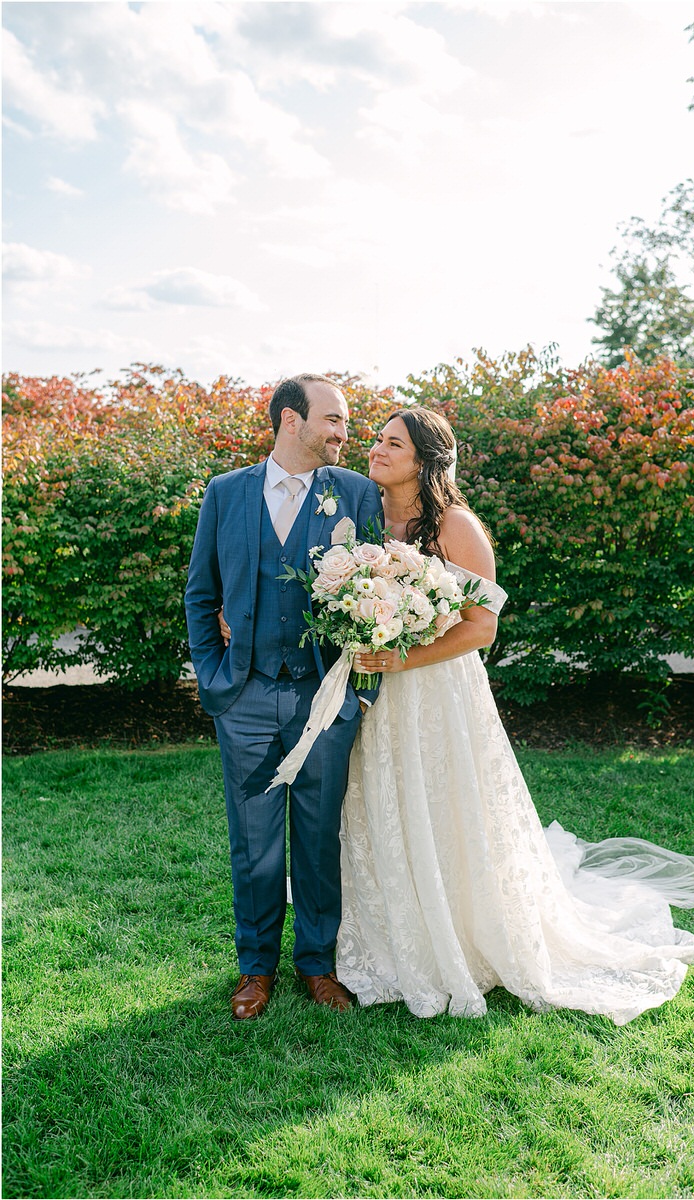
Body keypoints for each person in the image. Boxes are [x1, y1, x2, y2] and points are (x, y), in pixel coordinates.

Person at [335, 408, 694, 1023]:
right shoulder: (363, 514)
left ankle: (467, 935)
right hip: (378, 691)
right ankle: (393, 935)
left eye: (393, 443)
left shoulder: (457, 526)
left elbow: (482, 627)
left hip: (436, 690)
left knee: (445, 804)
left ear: (425, 460)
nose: (377, 450)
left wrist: (403, 657)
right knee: (385, 804)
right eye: (378, 439)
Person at [185, 373, 383, 1020]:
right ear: (290, 421)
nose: (343, 434)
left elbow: (378, 593)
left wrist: (362, 689)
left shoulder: (356, 494)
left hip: (325, 698)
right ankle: (256, 968)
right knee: (255, 841)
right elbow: (200, 594)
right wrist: (216, 676)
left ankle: (318, 966)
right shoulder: (225, 493)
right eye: (333, 420)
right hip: (244, 696)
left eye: (346, 424)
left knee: (319, 838)